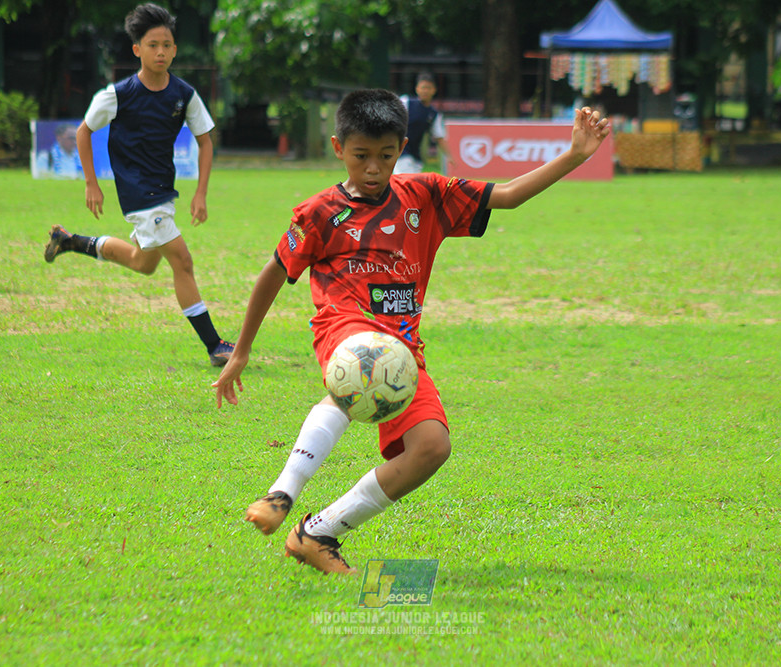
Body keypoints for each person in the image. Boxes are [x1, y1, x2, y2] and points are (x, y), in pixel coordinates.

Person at [212, 88, 610, 574]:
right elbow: (273, 273)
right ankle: (282, 494)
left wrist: (573, 155)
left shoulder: (426, 194)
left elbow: (504, 196)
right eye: (361, 157)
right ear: (339, 149)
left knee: (432, 447)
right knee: (360, 369)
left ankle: (317, 534)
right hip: (344, 327)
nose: (374, 168)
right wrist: (241, 350)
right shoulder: (319, 213)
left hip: (403, 348)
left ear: (401, 147)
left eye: (385, 156)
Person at [43, 3, 234, 367]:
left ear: (175, 49)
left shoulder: (184, 94)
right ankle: (215, 345)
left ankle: (70, 241)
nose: (160, 51)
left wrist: (201, 193)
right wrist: (91, 183)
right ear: (137, 50)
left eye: (167, 44)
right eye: (152, 45)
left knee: (142, 263)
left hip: (163, 192)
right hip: (138, 193)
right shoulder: (118, 94)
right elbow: (84, 132)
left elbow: (206, 141)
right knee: (183, 261)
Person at [394, 72, 455, 175]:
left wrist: (449, 156)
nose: (425, 91)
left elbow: (439, 137)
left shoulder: (434, 114)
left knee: (414, 184)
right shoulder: (406, 102)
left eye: (428, 88)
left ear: (434, 90)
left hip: (416, 154)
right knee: (406, 181)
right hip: (401, 150)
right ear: (417, 89)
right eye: (422, 87)